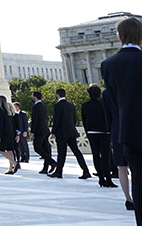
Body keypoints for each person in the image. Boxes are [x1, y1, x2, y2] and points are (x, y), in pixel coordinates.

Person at [101, 16, 142, 222]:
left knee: (139, 182)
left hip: (129, 131)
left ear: (119, 36)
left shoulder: (108, 64)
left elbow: (115, 101)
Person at [49, 87, 91, 179]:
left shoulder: (57, 106)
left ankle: (59, 171)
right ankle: (86, 170)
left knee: (61, 153)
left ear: (57, 95)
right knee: (76, 152)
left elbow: (56, 120)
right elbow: (74, 119)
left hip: (61, 133)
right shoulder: (71, 105)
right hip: (71, 132)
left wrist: (53, 132)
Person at [83, 83, 116, 187]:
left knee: (96, 155)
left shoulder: (85, 105)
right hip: (104, 132)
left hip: (91, 132)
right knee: (105, 156)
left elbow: (84, 121)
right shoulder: (103, 104)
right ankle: (108, 178)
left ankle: (101, 178)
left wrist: (87, 131)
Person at [30, 90, 55, 174]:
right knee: (45, 149)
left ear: (35, 97)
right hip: (45, 129)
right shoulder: (44, 106)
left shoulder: (35, 107)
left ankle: (52, 162)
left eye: (32, 96)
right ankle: (45, 168)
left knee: (37, 148)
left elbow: (35, 120)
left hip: (39, 131)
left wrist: (32, 131)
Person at [0, 95, 19, 174]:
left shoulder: (0, 110)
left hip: (4, 133)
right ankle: (10, 168)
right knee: (9, 150)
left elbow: (0, 124)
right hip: (10, 132)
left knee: (1, 150)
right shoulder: (9, 111)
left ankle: (14, 163)